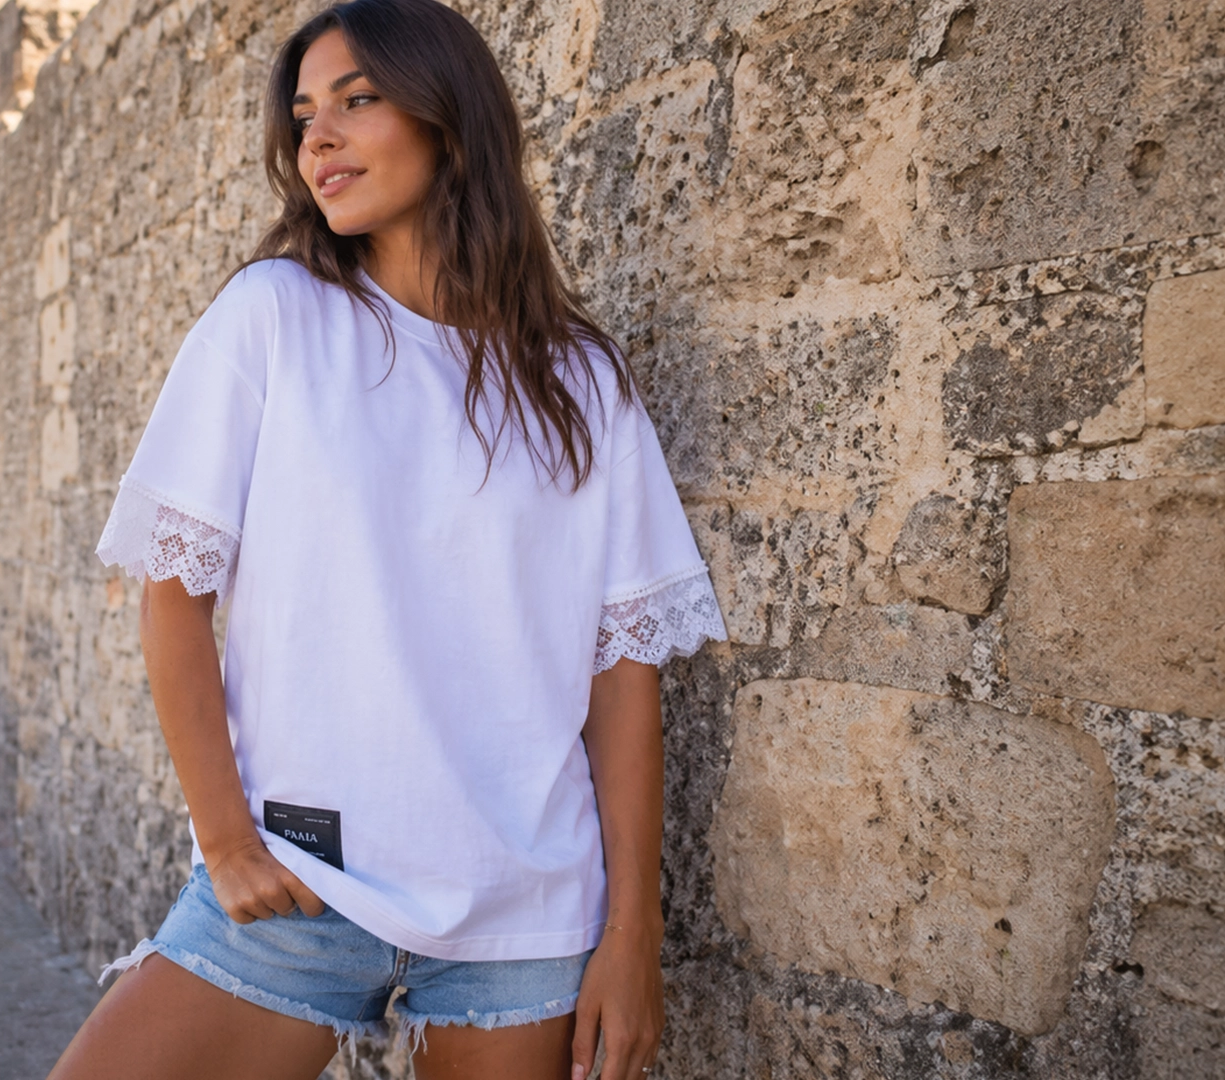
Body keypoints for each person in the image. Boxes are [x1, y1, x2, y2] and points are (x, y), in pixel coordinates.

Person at [48, 0, 726, 1076]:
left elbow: (622, 675)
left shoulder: (581, 384)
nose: (317, 136)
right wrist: (225, 841)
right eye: (306, 112)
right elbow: (173, 596)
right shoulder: (272, 319)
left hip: (524, 906)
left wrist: (630, 936)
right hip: (300, 877)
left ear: (448, 121)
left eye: (357, 101)